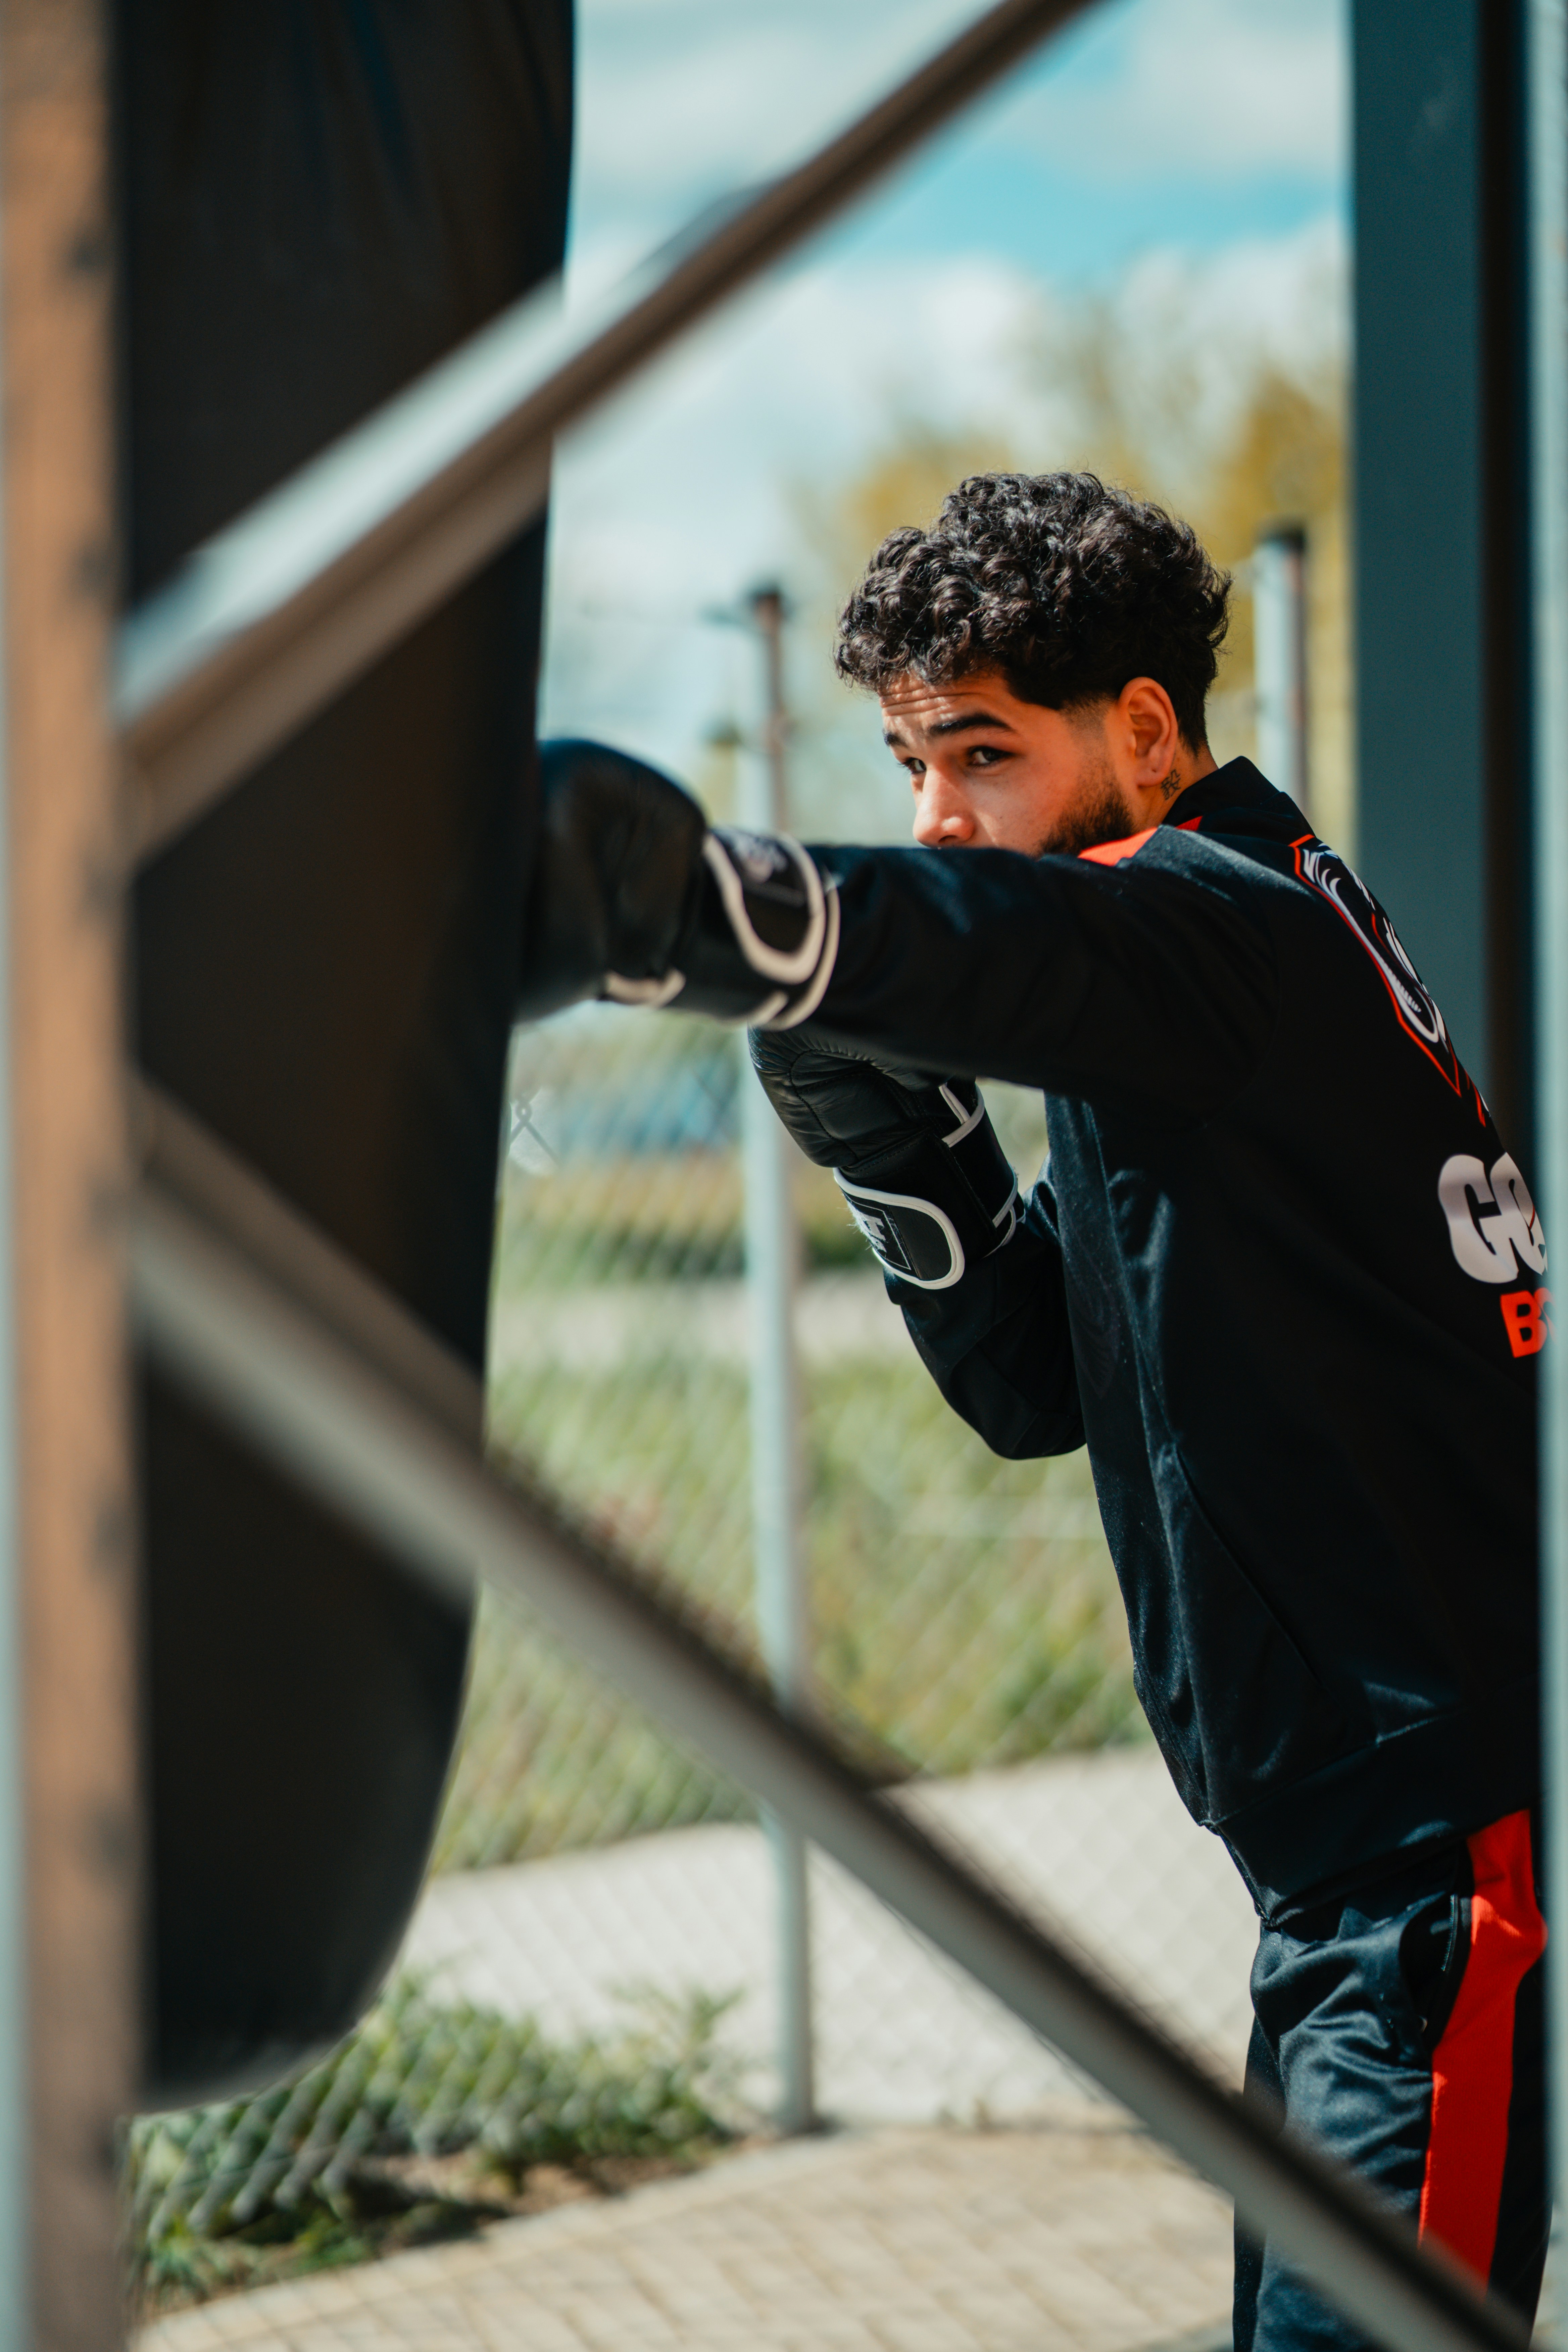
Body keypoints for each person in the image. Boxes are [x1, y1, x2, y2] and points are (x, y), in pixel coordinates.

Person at [517, 471, 1547, 2349]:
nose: (935, 813)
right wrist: (884, 1139)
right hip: (1351, 1876)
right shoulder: (1217, 969)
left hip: (1438, 1869)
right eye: (908, 758)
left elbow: (987, 943)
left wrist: (689, 912)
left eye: (978, 752)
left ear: (1147, 735)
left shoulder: (1202, 923)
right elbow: (1036, 1383)